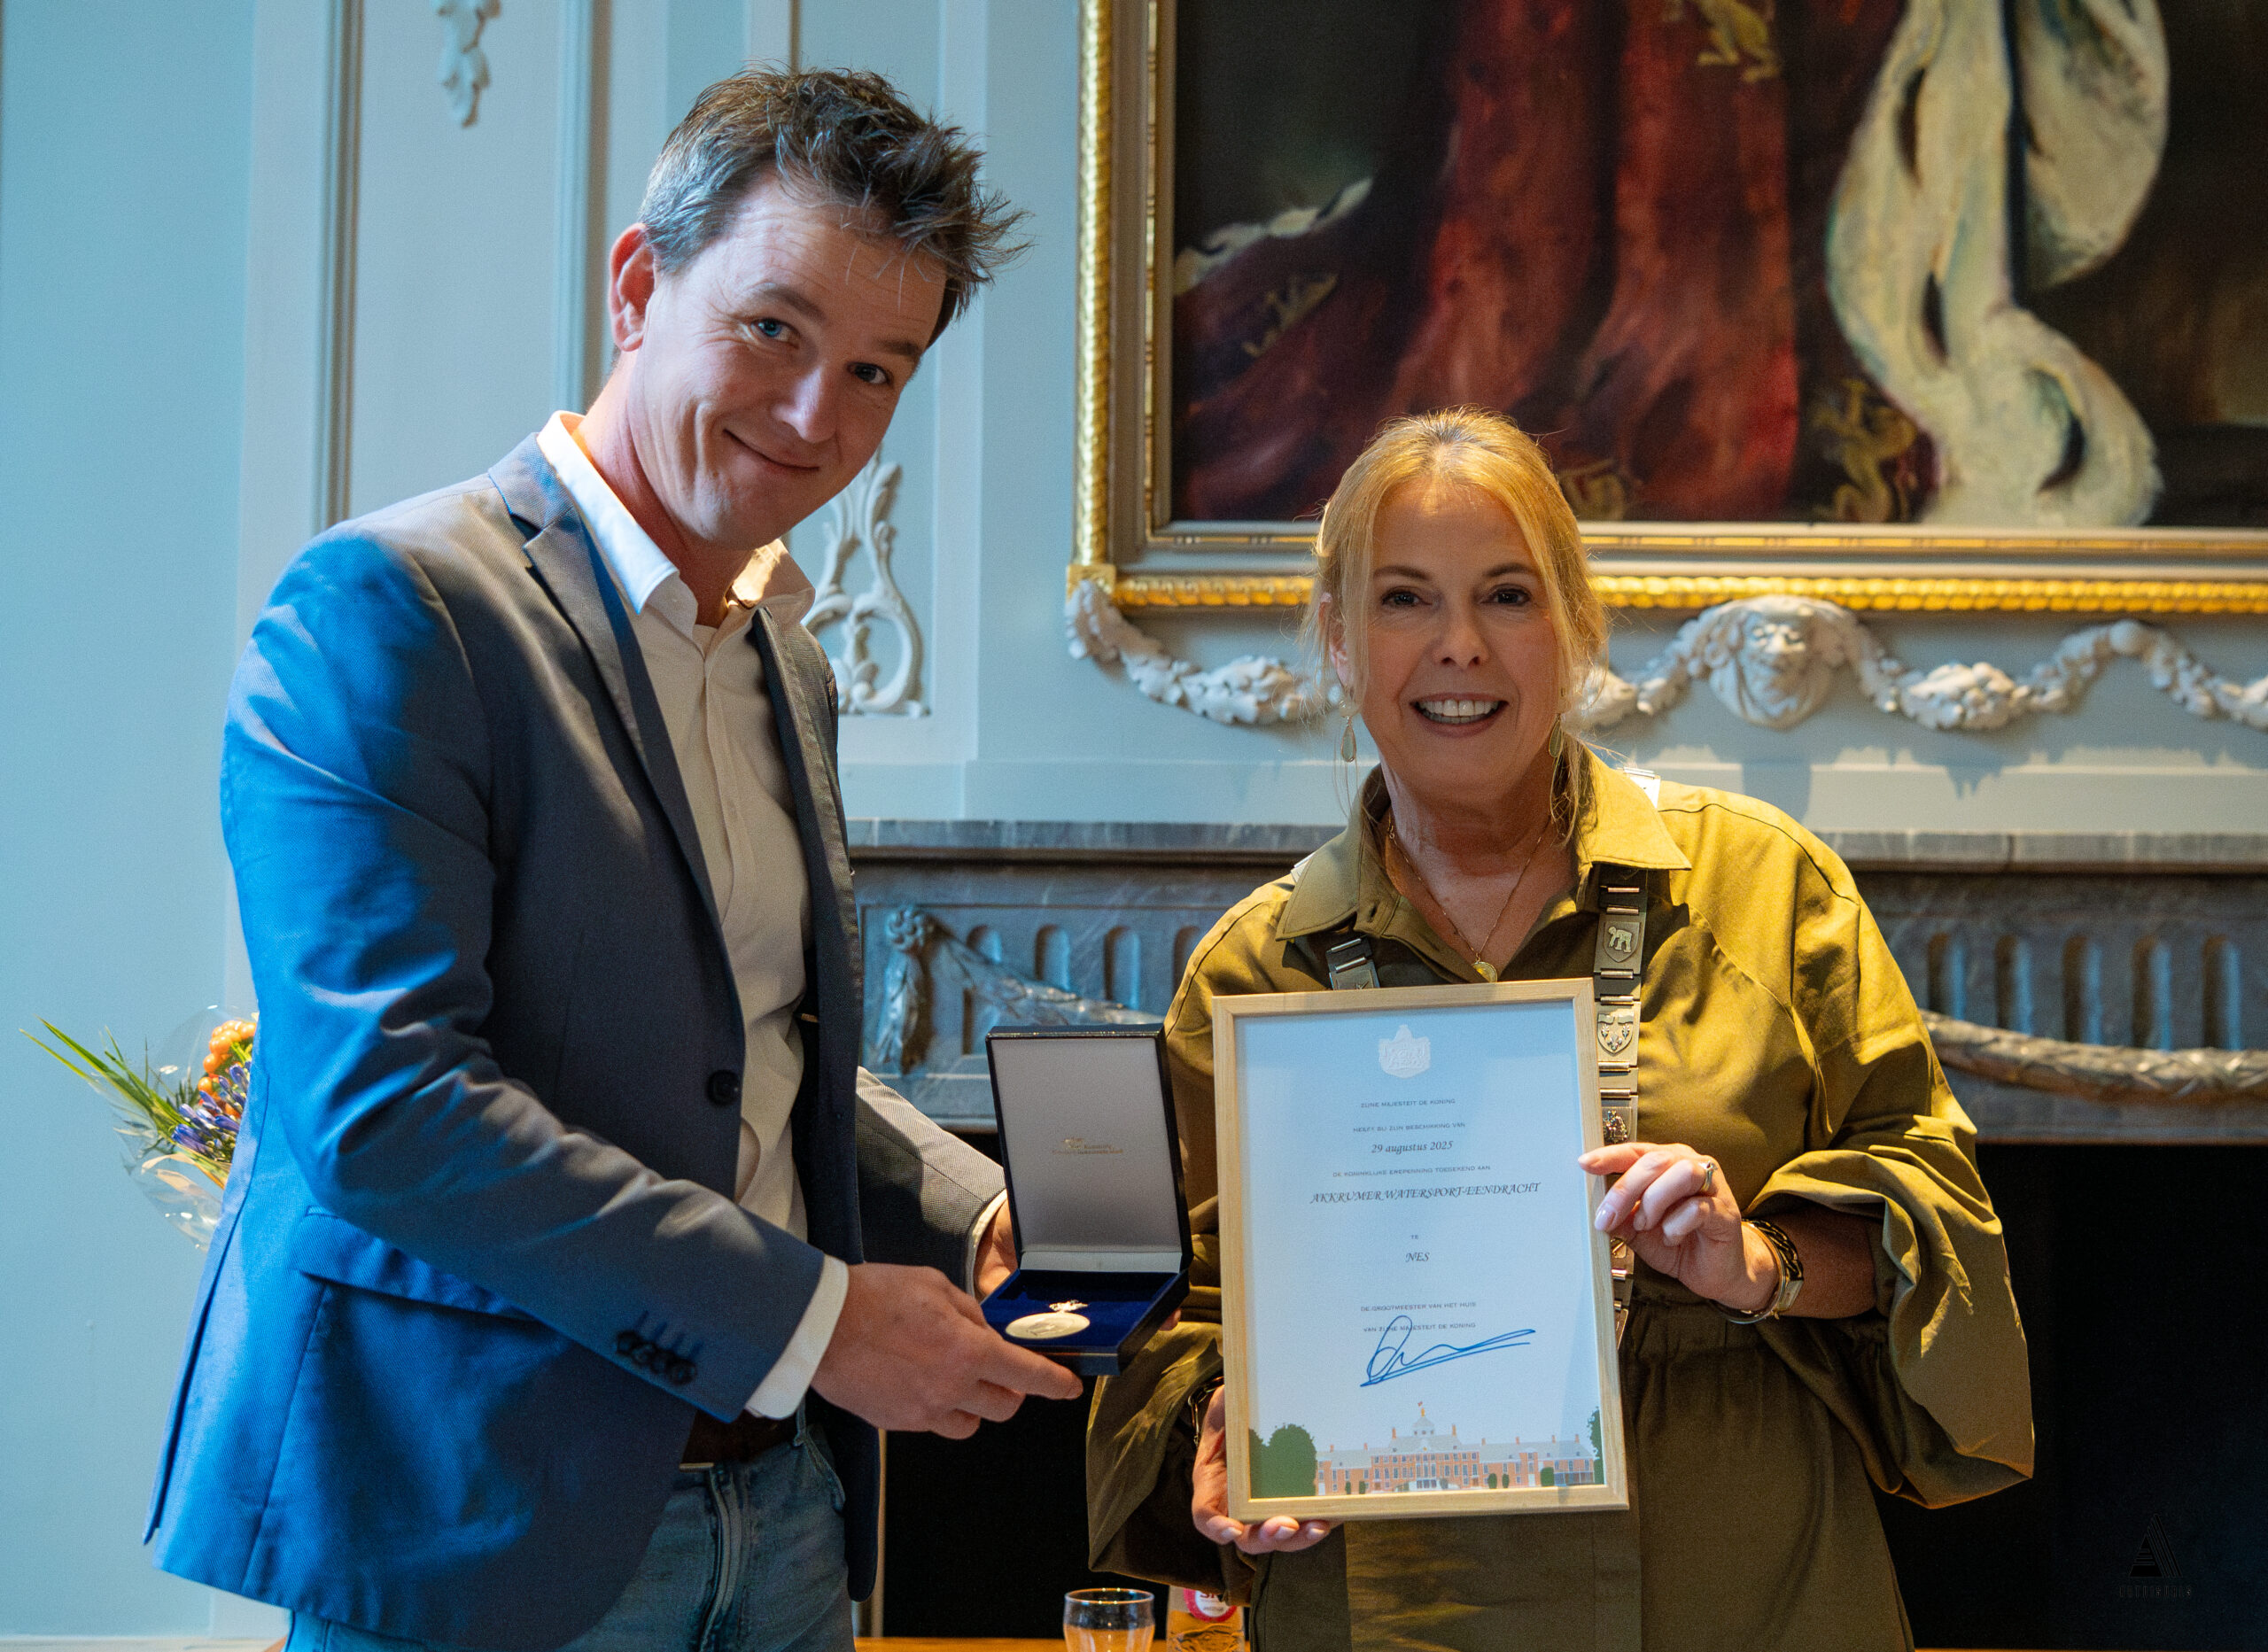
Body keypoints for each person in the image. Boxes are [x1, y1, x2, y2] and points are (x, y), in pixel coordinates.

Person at [145, 68, 1082, 1652]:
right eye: (772, 329)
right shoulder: (390, 608)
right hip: (481, 1524)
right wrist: (819, 1322)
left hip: (784, 1523)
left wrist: (974, 1205)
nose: (818, 417)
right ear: (639, 288)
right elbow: (387, 1110)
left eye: (876, 371)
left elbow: (751, 1043)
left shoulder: (790, 656)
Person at [1086, 407, 2033, 1650]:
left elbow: (1935, 1215)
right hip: (1395, 1600)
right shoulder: (1256, 970)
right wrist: (1219, 1432)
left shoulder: (1764, 886)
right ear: (1338, 638)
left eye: (1509, 595)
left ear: (1577, 626)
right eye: (1406, 599)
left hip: (1743, 1585)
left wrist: (1759, 1261)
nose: (1460, 644)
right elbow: (1170, 1322)